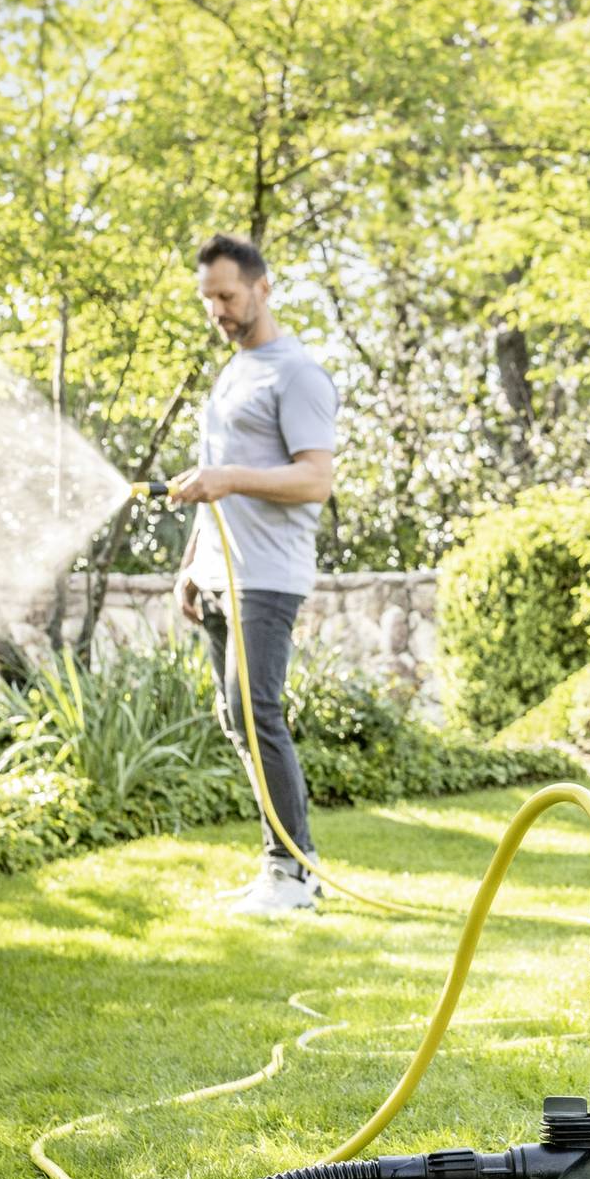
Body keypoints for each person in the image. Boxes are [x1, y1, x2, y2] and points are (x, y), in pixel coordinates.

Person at [167, 233, 340, 916]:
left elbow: (315, 479)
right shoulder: (232, 373)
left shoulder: (295, 373)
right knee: (235, 718)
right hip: (219, 575)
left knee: (255, 710)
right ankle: (283, 863)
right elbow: (209, 487)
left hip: (266, 577)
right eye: (208, 298)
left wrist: (230, 479)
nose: (217, 309)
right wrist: (190, 566)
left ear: (263, 287)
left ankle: (294, 873)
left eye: (228, 295)